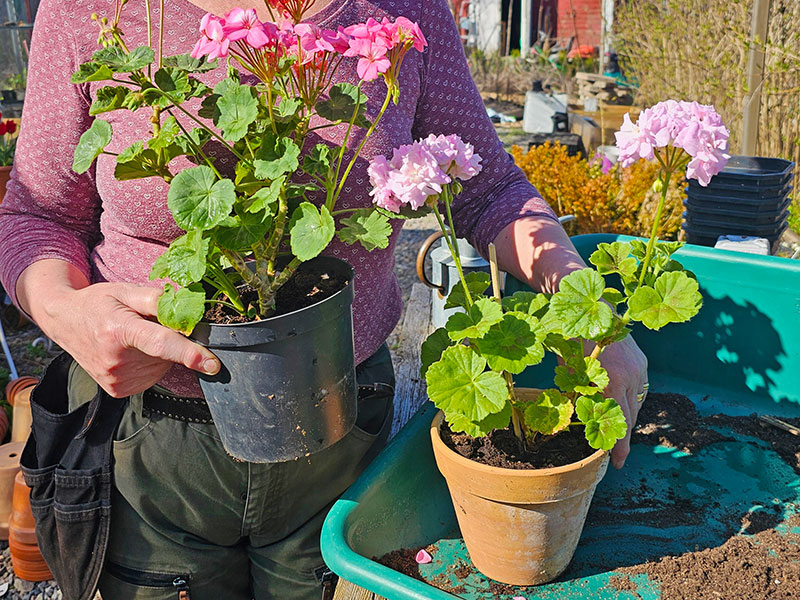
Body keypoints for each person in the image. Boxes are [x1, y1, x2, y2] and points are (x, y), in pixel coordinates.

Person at [0, 0, 648, 598]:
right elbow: (34, 214)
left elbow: (487, 190)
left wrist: (590, 308)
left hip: (340, 425)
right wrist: (68, 312)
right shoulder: (92, 10)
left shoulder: (402, 10)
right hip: (151, 434)